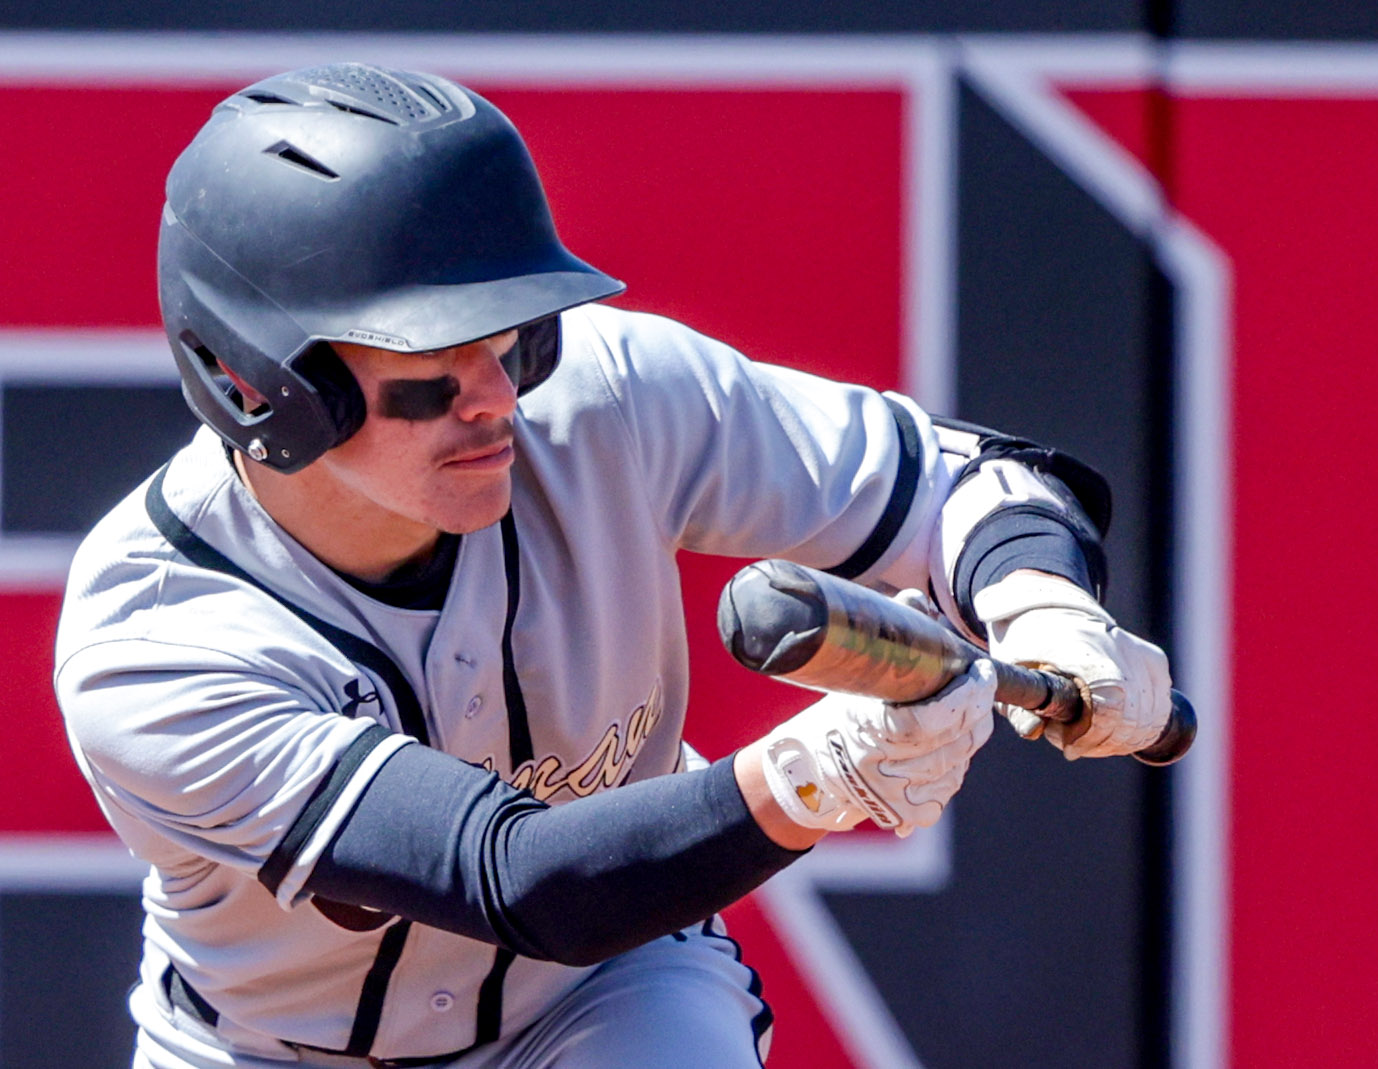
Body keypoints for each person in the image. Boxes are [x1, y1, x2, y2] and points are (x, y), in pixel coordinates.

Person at [53, 63, 1174, 1069]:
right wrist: (817, 773)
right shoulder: (155, 635)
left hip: (604, 993)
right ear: (256, 381)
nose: (498, 395)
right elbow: (521, 881)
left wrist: (1041, 600)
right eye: (432, 354)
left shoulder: (603, 396)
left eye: (512, 332)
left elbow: (961, 478)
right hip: (265, 1048)